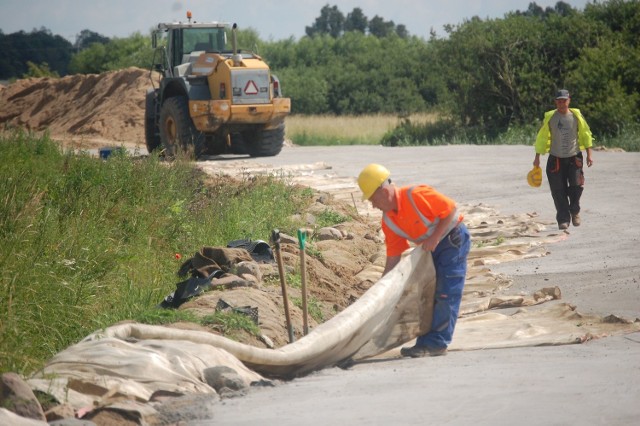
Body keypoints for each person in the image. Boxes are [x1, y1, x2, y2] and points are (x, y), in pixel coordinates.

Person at [357, 163, 471, 357]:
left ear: (383, 191)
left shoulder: (416, 195)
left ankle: (437, 343)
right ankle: (426, 342)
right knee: (428, 294)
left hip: (452, 240)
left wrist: (434, 238)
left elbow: (451, 209)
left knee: (445, 293)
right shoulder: (389, 221)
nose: (373, 205)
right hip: (430, 249)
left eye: (372, 199)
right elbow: (393, 259)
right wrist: (382, 290)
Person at [533, 89, 594, 230]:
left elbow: (586, 134)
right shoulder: (550, 117)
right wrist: (537, 158)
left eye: (564, 100)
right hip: (556, 159)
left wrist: (589, 154)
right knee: (558, 190)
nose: (561, 103)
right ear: (555, 102)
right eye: (559, 101)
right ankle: (563, 219)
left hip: (574, 157)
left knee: (576, 186)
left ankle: (575, 211)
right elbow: (541, 138)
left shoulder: (576, 116)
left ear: (569, 100)